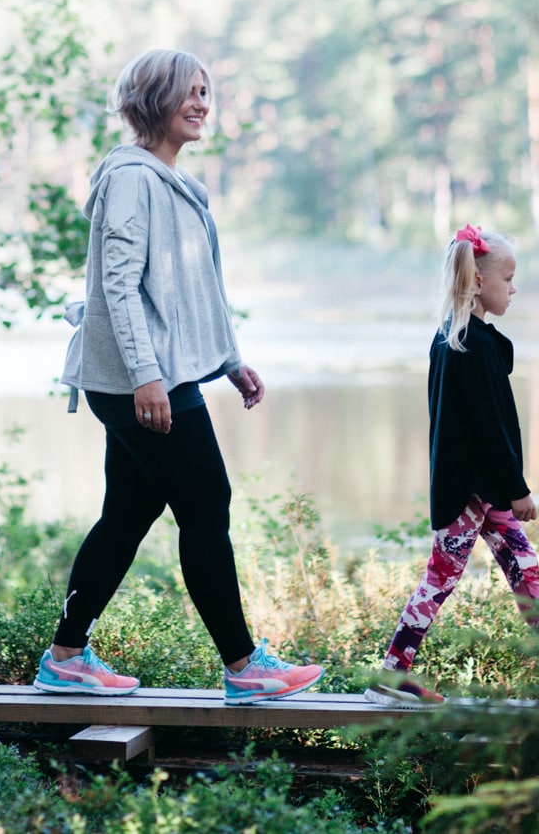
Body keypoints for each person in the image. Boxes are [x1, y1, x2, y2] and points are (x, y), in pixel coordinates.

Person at [37, 49, 324, 705]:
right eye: (187, 93)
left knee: (127, 514)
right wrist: (146, 377)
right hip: (142, 378)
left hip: (152, 373)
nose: (200, 103)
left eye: (205, 92)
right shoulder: (135, 178)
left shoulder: (170, 181)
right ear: (153, 101)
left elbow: (187, 288)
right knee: (206, 503)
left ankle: (65, 657)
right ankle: (244, 665)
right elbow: (120, 282)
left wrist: (228, 360)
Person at [365, 224, 539, 708]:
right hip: (471, 490)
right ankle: (392, 676)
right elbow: (489, 430)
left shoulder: (462, 340)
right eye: (508, 279)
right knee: (441, 577)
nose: (514, 288)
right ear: (477, 282)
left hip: (482, 489)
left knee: (523, 564)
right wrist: (518, 489)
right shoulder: (464, 347)